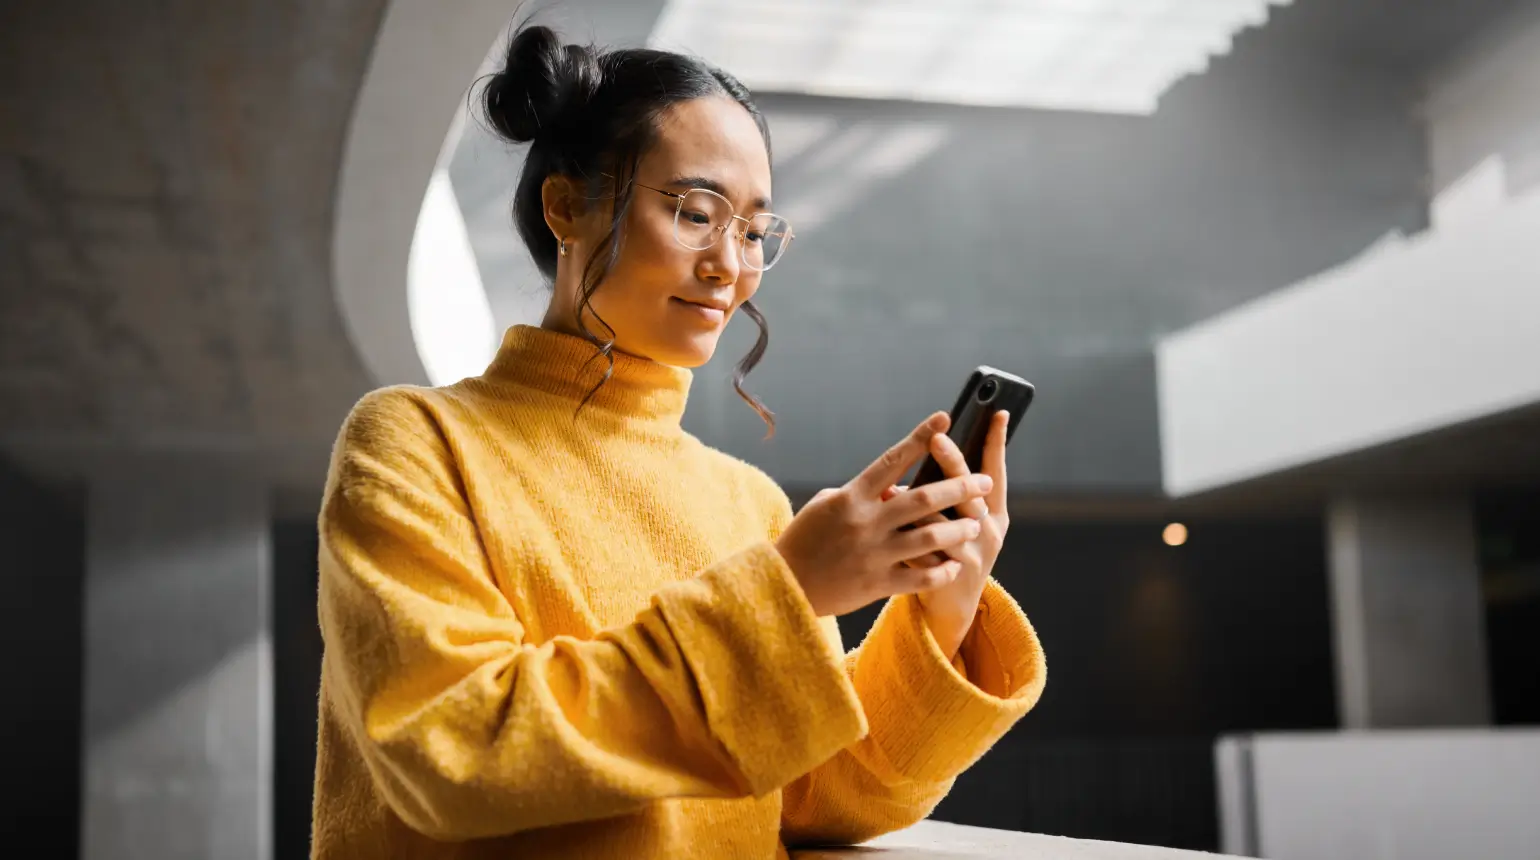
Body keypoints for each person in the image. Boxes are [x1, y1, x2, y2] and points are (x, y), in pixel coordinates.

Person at [311, 24, 1045, 860]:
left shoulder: (748, 501)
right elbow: (452, 751)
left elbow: (810, 799)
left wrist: (943, 611)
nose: (729, 264)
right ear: (566, 207)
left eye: (755, 231)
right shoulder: (414, 441)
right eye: (696, 213)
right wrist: (790, 589)